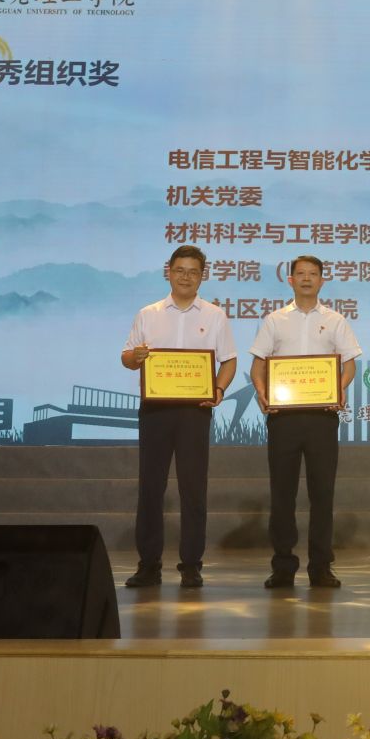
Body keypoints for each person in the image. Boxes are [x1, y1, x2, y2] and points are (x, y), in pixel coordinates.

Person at [120, 244, 236, 589]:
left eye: (193, 272)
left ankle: (191, 565)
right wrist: (136, 357)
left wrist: (218, 390)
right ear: (168, 272)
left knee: (193, 489)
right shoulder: (148, 313)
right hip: (155, 410)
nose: (186, 277)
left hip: (195, 412)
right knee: (150, 488)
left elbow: (229, 360)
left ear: (203, 276)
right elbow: (127, 357)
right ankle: (149, 565)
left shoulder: (214, 315)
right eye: (180, 270)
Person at [249, 254, 361, 588]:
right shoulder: (274, 320)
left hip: (322, 418)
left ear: (322, 280)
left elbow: (349, 365)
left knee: (322, 494)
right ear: (291, 280)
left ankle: (320, 567)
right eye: (301, 273)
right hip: (283, 419)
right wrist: (262, 392)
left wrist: (339, 388)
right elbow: (258, 365)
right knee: (282, 494)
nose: (307, 278)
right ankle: (283, 566)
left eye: (313, 274)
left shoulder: (336, 320)